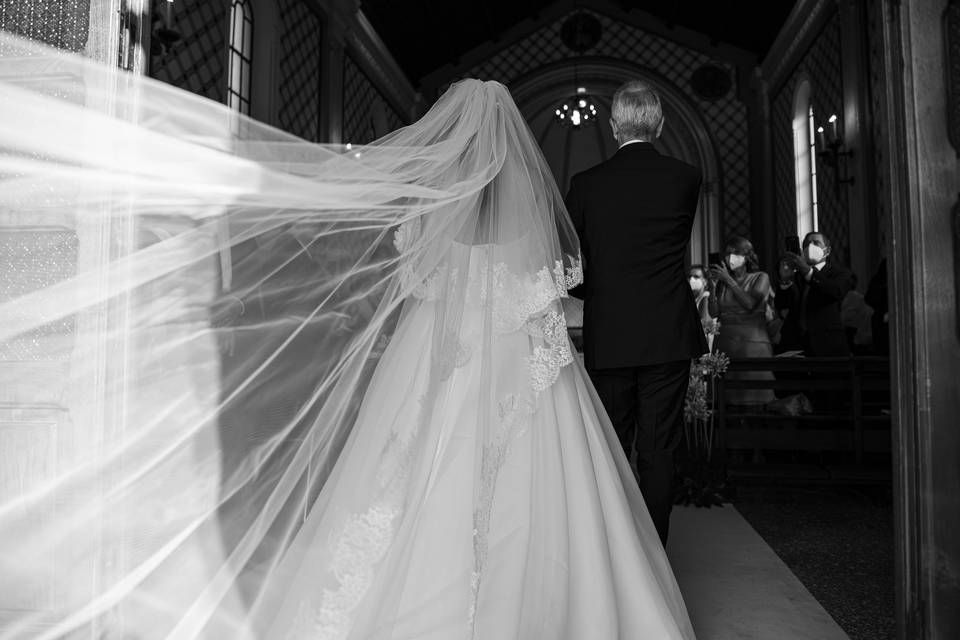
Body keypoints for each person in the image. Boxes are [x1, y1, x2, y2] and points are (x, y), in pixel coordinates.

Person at [0, 35, 695, 639]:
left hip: (462, 350)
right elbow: (550, 280)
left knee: (418, 465)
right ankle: (611, 578)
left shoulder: (458, 214)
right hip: (582, 343)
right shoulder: (643, 189)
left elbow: (422, 281)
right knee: (591, 467)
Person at [565, 80, 707, 545]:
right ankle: (655, 560)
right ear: (660, 124)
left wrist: (597, 290)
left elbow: (575, 267)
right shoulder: (686, 178)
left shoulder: (586, 185)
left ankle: (614, 558)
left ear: (612, 126)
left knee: (609, 449)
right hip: (668, 330)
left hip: (611, 332)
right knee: (659, 450)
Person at [708, 236, 776, 406]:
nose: (731, 257)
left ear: (747, 256)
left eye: (736, 253)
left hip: (752, 346)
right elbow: (714, 312)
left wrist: (728, 280)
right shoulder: (723, 283)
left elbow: (750, 304)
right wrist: (713, 287)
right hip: (724, 345)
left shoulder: (761, 277)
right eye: (728, 253)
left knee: (755, 399)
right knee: (725, 403)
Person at [777, 231, 857, 357]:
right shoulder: (796, 276)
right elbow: (782, 306)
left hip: (826, 345)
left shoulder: (841, 273)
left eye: (816, 243)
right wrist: (785, 280)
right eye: (807, 244)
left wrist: (808, 272)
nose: (811, 246)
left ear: (827, 251)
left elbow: (834, 291)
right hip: (794, 346)